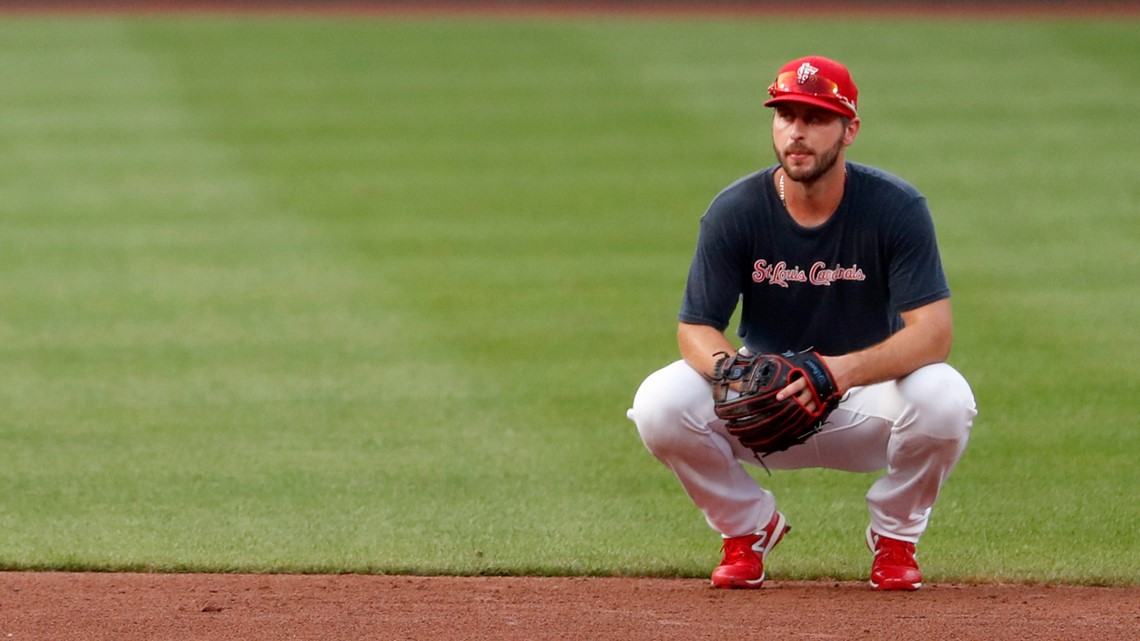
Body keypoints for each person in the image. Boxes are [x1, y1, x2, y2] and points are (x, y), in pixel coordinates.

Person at [626, 55, 977, 591]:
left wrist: (837, 372)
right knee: (658, 402)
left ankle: (896, 537)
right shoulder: (736, 210)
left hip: (865, 399)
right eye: (786, 115)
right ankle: (747, 529)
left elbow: (935, 332)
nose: (797, 131)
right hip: (763, 402)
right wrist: (733, 375)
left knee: (946, 398)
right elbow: (695, 326)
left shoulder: (895, 208)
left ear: (850, 129)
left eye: (814, 118)